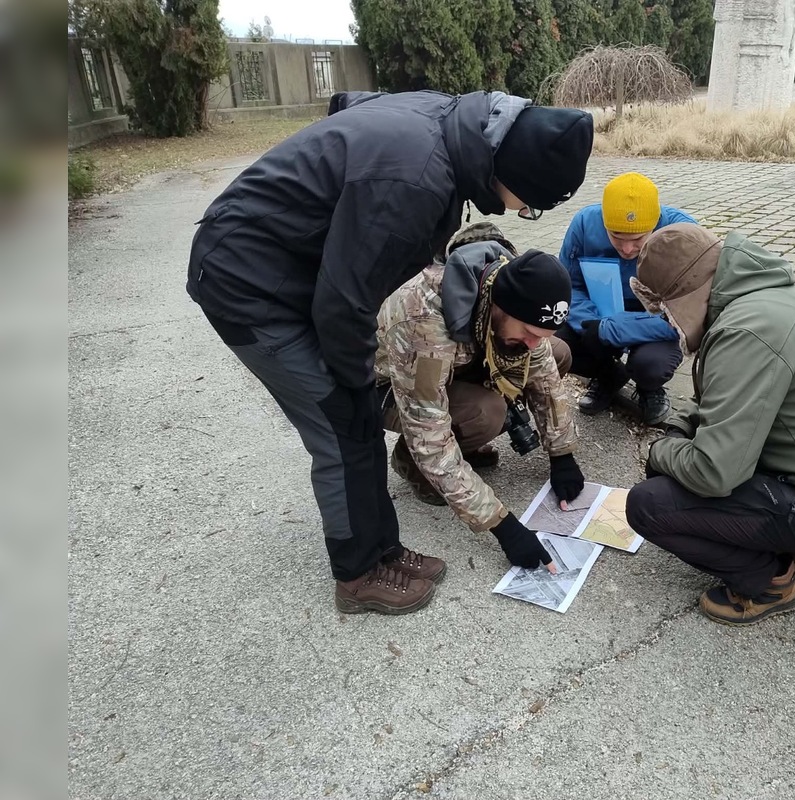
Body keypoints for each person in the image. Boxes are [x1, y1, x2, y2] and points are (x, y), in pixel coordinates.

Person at [185, 89, 594, 615]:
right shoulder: (416, 181)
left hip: (301, 275)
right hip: (247, 284)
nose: (524, 212)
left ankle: (385, 548)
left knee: (352, 423)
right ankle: (358, 574)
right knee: (342, 427)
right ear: (513, 171)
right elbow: (345, 300)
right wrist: (503, 524)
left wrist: (562, 454)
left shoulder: (452, 125)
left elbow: (350, 104)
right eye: (532, 204)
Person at [625, 223, 795, 626]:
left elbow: (713, 472)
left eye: (665, 311)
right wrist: (678, 427)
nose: (668, 323)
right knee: (675, 464)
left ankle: (772, 580)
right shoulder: (765, 298)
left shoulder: (745, 330)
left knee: (648, 503)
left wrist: (661, 449)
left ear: (681, 299)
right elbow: (717, 399)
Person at [376, 222, 586, 571]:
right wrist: (502, 526)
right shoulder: (424, 320)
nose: (535, 342)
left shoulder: (510, 297)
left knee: (558, 353)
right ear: (500, 307)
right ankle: (409, 465)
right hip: (388, 387)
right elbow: (429, 434)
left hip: (456, 362)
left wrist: (562, 455)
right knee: (485, 412)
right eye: (530, 332)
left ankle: (466, 444)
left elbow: (545, 374)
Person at [555, 172, 696, 425]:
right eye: (617, 237)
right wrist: (590, 323)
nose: (628, 249)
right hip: (599, 311)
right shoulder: (585, 224)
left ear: (656, 224)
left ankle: (648, 386)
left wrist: (615, 330)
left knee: (651, 366)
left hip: (657, 318)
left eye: (639, 239)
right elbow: (568, 285)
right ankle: (608, 375)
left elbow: (690, 313)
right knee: (557, 346)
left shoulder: (684, 235)